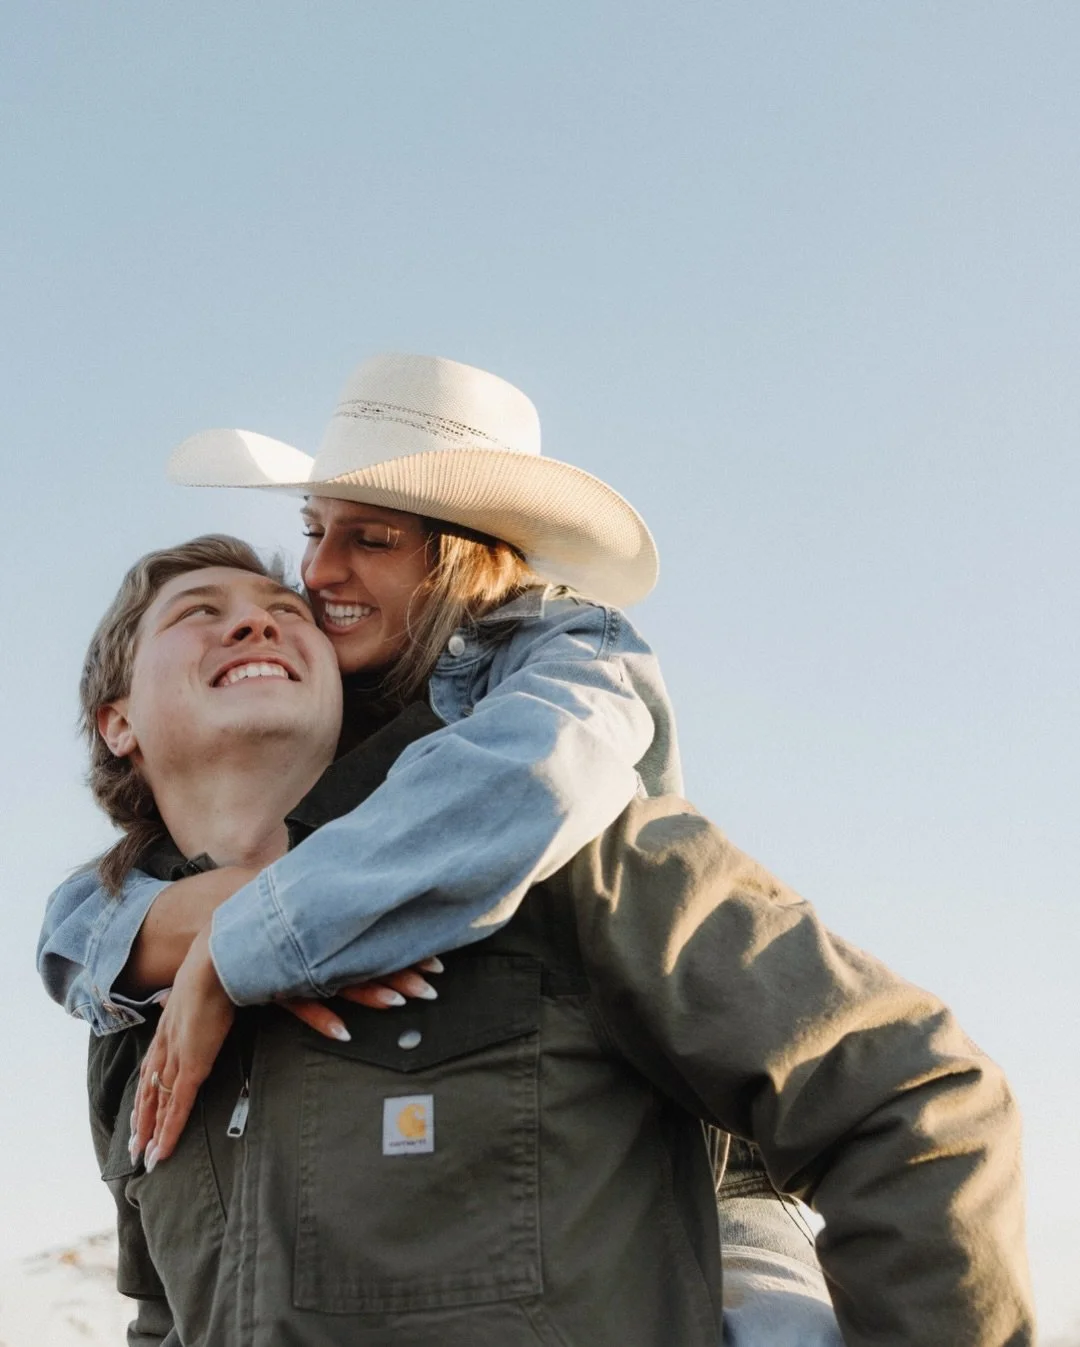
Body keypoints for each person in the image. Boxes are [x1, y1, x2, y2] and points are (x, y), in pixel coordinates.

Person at [41, 353, 844, 1334]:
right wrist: (165, 930)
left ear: (470, 561)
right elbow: (167, 1293)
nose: (314, 574)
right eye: (311, 531)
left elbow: (529, 778)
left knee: (782, 1323)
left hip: (711, 1180)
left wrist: (251, 945)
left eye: (369, 538)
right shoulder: (329, 718)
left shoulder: (559, 662)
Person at [69, 538, 1032, 1346]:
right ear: (118, 723)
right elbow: (164, 1314)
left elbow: (914, 1098)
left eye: (286, 609)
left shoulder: (570, 860)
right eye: (201, 610)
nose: (257, 621)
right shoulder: (124, 1011)